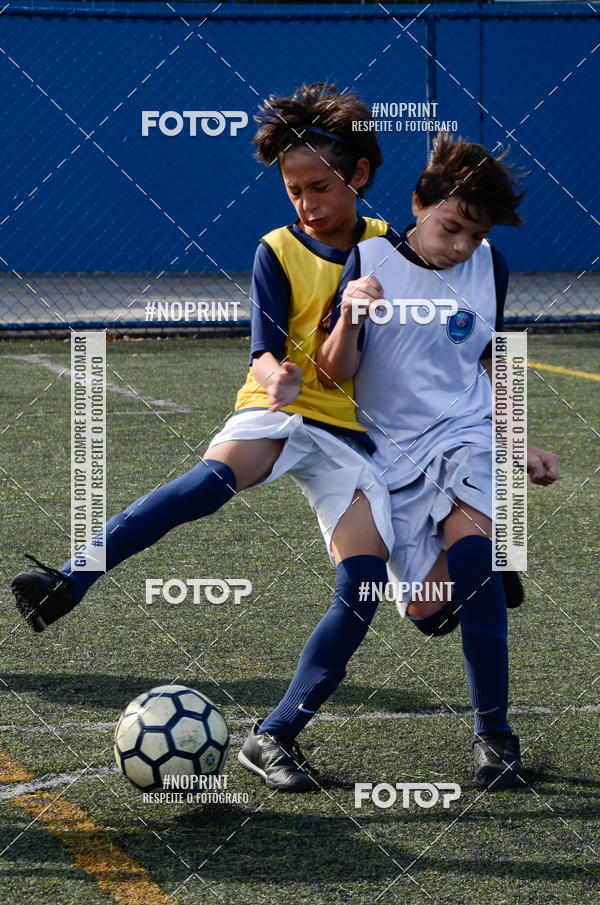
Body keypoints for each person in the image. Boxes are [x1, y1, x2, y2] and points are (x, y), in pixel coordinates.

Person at [11, 82, 396, 792]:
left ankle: (275, 736)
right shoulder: (275, 250)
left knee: (363, 582)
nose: (306, 201)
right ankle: (67, 582)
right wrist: (276, 370)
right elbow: (262, 347)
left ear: (360, 176)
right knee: (206, 485)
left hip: (352, 434)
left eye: (319, 186)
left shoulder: (391, 250)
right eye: (293, 189)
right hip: (278, 409)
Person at [316, 132, 559, 789]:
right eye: (452, 228)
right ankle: (478, 579)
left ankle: (495, 737)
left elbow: (491, 359)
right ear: (419, 203)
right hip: (391, 454)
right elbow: (334, 372)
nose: (461, 248)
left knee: (475, 563)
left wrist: (518, 441)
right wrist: (350, 318)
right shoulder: (367, 258)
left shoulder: (491, 268)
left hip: (467, 433)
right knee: (425, 610)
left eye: (474, 238)